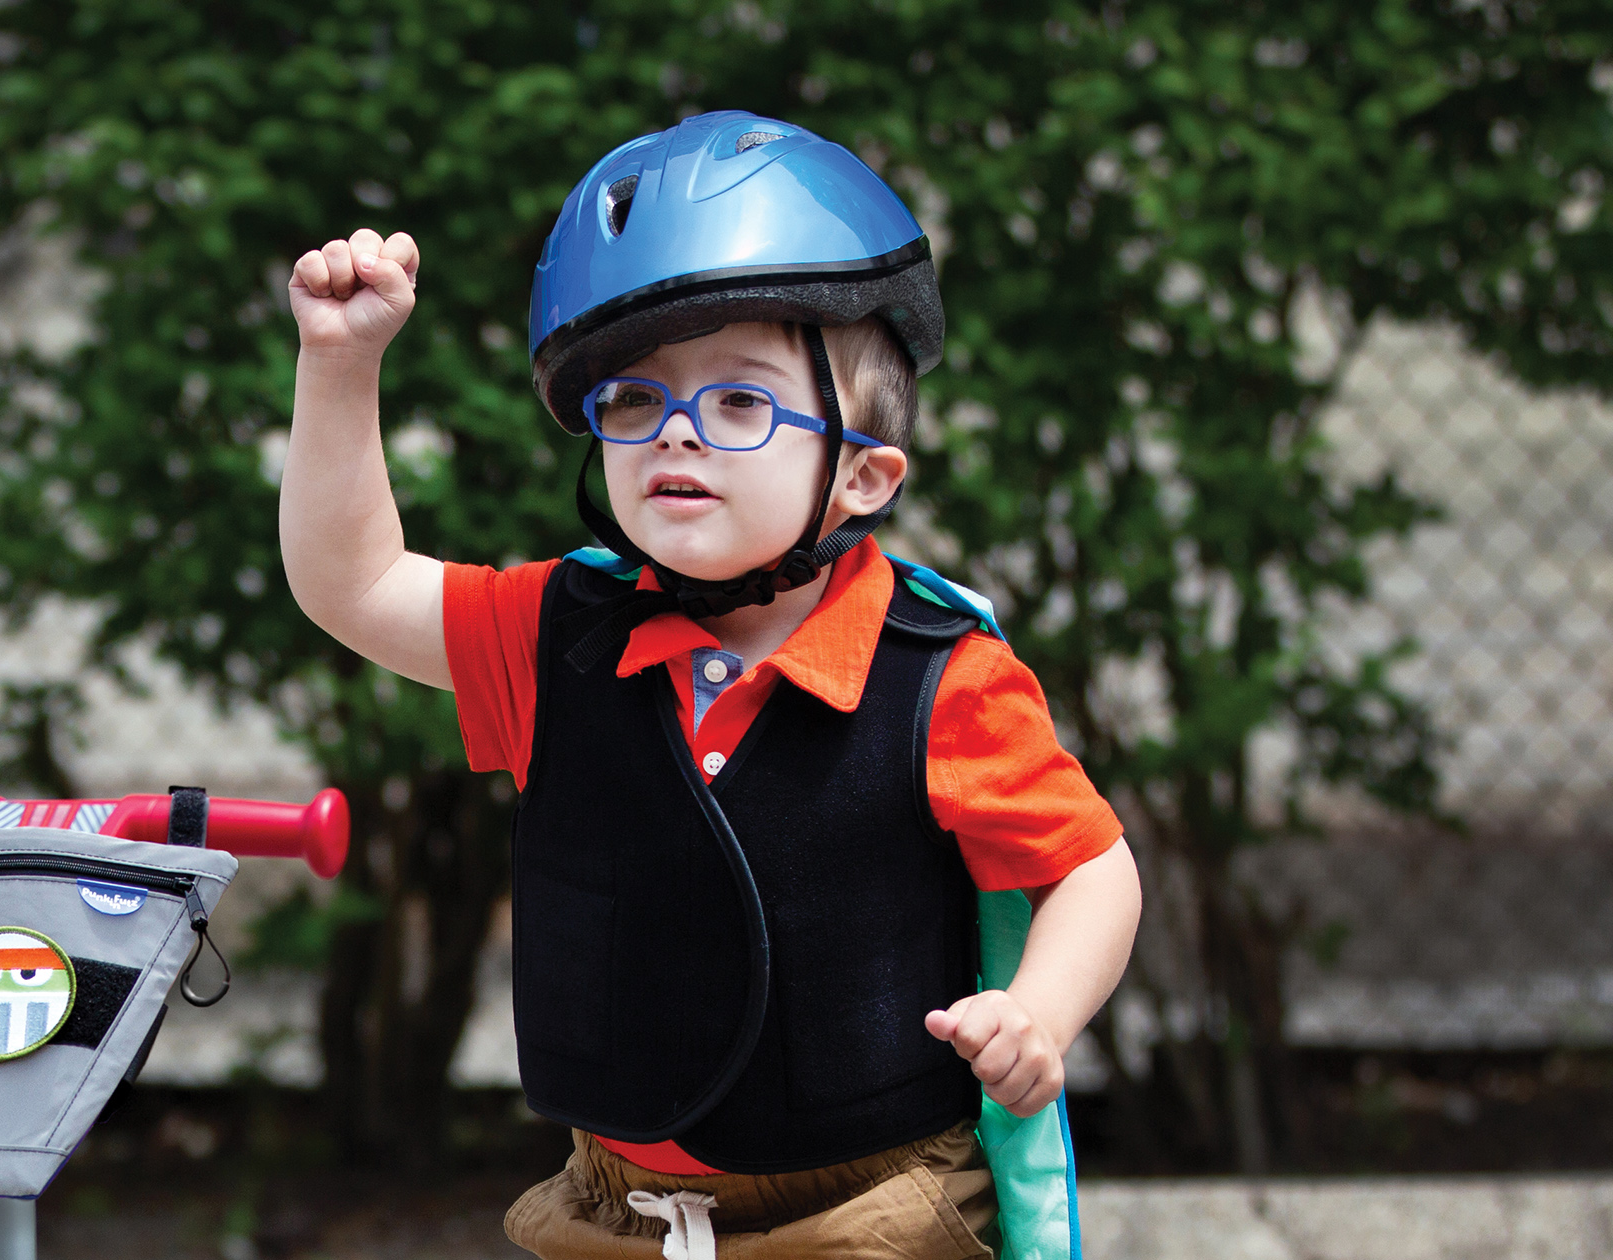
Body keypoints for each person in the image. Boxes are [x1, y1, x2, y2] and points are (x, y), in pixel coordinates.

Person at [278, 110, 1140, 1260]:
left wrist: (1039, 1013)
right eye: (635, 400)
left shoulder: (939, 680)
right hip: (616, 1211)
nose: (675, 434)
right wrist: (341, 365)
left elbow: (1091, 865)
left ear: (865, 476)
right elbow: (355, 581)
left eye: (740, 402)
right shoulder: (555, 638)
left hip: (868, 1212)